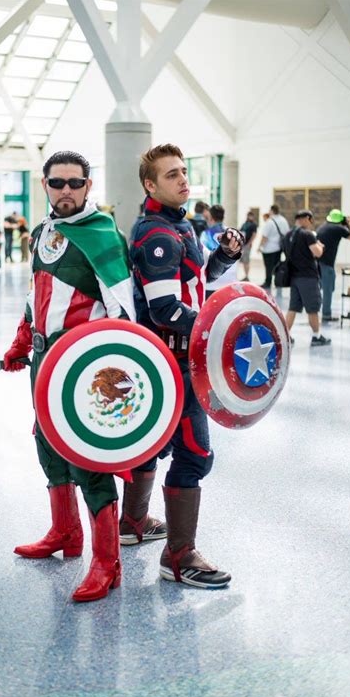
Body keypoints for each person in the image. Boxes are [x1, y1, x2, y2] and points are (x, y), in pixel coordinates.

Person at [3, 151, 135, 603]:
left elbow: (125, 313)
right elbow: (36, 289)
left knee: (88, 457)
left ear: (87, 186)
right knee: (47, 441)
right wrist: (23, 337)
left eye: (73, 183)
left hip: (83, 367)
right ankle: (65, 533)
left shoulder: (104, 236)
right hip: (44, 363)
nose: (65, 191)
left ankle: (107, 561)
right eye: (56, 182)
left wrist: (113, 371)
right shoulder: (43, 232)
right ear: (44, 185)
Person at [127, 143, 243, 588]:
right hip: (175, 361)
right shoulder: (158, 232)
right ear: (150, 184)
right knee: (194, 454)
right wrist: (219, 332)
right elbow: (166, 309)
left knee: (153, 444)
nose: (182, 179)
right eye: (171, 174)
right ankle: (178, 556)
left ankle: (132, 524)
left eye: (183, 171)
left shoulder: (177, 225)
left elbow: (193, 283)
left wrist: (223, 259)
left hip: (172, 358)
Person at [285, 209, 330, 347]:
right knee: (312, 308)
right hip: (308, 277)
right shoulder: (307, 234)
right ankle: (316, 336)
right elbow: (317, 253)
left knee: (293, 307)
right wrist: (320, 246)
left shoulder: (288, 235)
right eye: (311, 220)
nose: (311, 223)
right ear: (306, 218)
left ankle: (285, 336)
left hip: (294, 277)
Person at [316, 209, 350, 321]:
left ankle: (319, 311)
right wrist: (349, 223)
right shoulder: (337, 228)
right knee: (328, 289)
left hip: (317, 263)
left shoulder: (323, 226)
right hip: (327, 264)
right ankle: (326, 314)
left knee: (325, 288)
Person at [201, 204, 238, 299]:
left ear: (210, 218)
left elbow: (203, 258)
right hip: (230, 282)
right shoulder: (232, 233)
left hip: (212, 284)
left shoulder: (206, 235)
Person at [259, 204, 289, 289]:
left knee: (268, 267)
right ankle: (278, 281)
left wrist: (260, 247)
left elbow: (265, 237)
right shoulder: (284, 220)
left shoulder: (270, 221)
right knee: (277, 266)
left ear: (272, 211)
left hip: (269, 249)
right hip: (279, 248)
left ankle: (268, 282)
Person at [239, 210, 258, 281]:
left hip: (247, 245)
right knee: (243, 260)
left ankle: (247, 276)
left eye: (251, 216)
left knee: (246, 260)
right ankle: (245, 275)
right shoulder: (245, 224)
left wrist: (249, 243)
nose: (250, 217)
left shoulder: (253, 225)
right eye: (249, 215)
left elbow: (254, 235)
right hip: (242, 244)